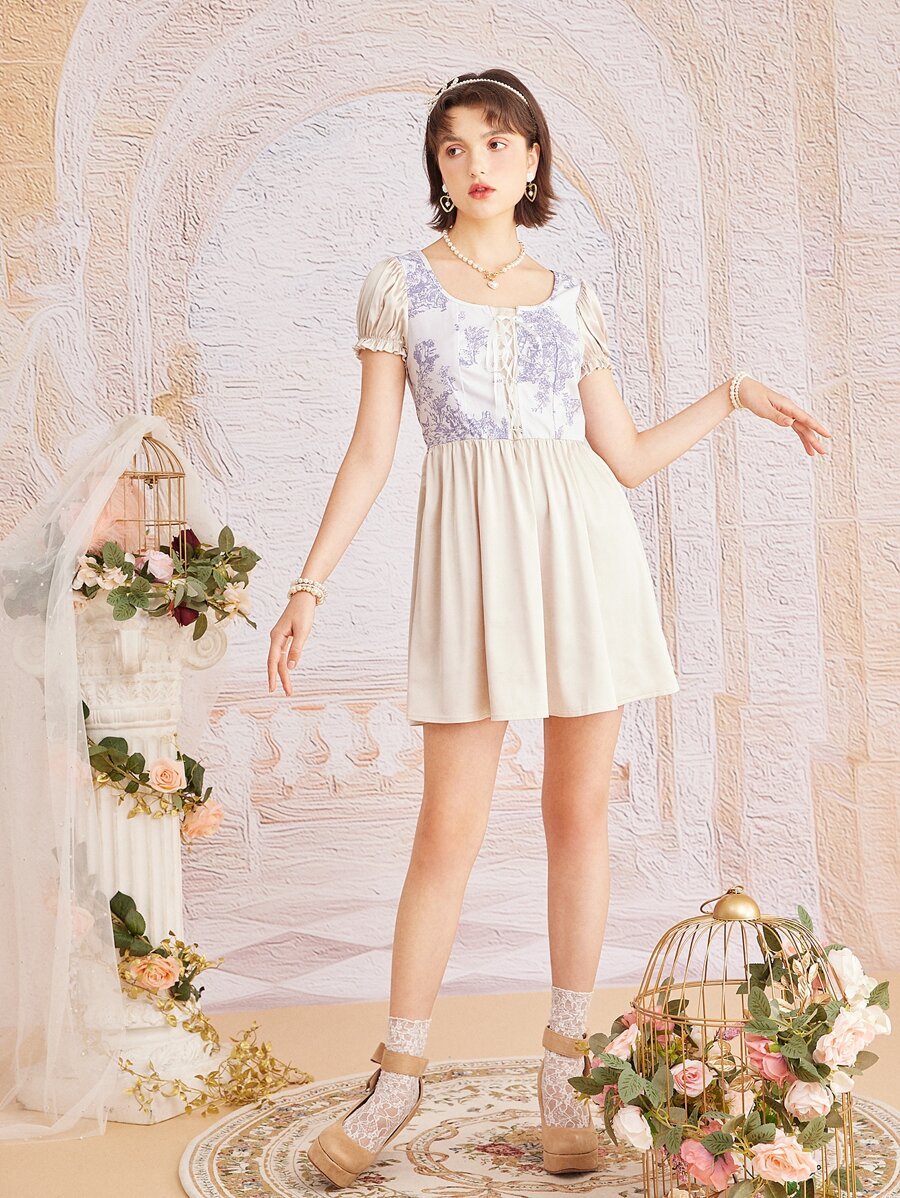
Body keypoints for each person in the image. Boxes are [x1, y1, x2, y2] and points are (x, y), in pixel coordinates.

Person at [265, 68, 831, 1188]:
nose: (474, 162)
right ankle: (398, 1078)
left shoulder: (572, 299)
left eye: (496, 141)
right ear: (438, 168)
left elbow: (622, 457)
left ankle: (567, 1068)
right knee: (448, 828)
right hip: (470, 567)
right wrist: (308, 584)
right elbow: (372, 452)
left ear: (532, 160)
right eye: (452, 146)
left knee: (578, 814)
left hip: (583, 556)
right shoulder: (399, 286)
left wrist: (732, 396)